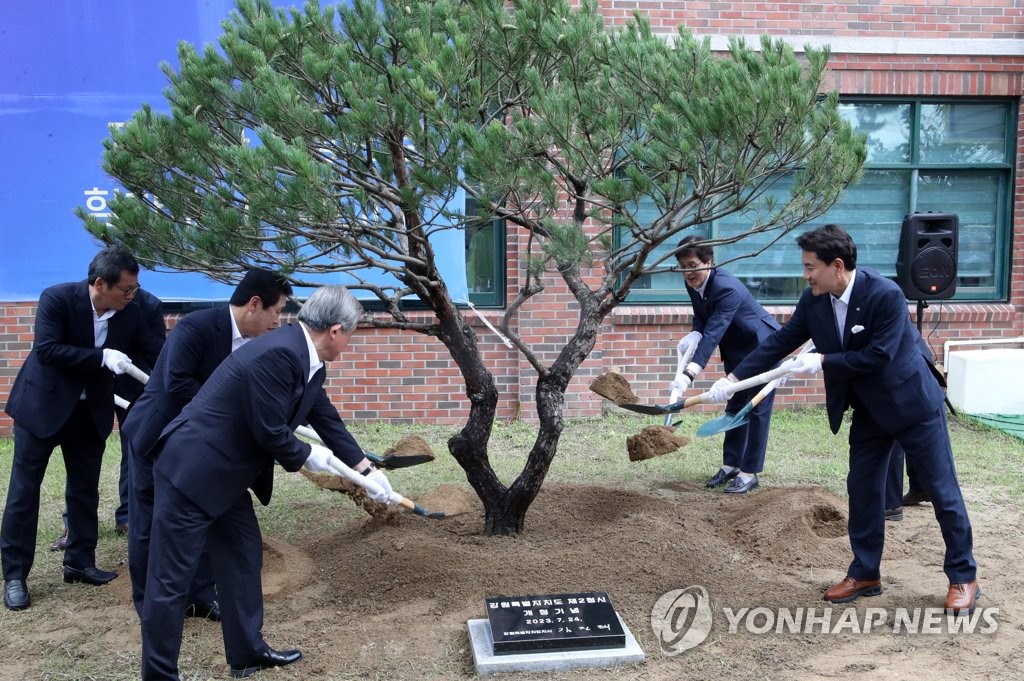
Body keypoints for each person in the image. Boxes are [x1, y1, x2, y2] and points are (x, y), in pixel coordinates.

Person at [707, 224, 979, 615]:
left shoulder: (884, 294)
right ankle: (865, 572)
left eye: (809, 266)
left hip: (912, 404)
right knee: (863, 490)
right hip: (869, 409)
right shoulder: (815, 300)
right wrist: (733, 381)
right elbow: (780, 343)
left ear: (837, 266)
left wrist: (822, 361)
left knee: (941, 491)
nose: (805, 274)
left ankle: (962, 576)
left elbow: (878, 356)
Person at [140, 284, 395, 680]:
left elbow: (326, 419)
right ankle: (158, 675)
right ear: (335, 331)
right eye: (352, 334)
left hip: (225, 476)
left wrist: (365, 470)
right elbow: (270, 433)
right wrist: (315, 458)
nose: (349, 343)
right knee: (170, 581)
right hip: (190, 472)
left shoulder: (308, 361)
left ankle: (245, 654)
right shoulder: (280, 352)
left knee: (243, 557)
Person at [122, 268, 293, 623]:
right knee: (149, 524)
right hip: (156, 435)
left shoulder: (260, 345)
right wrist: (233, 415)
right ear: (254, 305)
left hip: (202, 448)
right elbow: (176, 384)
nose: (279, 322)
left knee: (202, 515)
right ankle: (149, 605)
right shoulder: (196, 327)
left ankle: (199, 596)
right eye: (277, 312)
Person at [2, 247, 163, 611]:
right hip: (42, 408)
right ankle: (15, 574)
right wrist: (100, 357)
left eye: (135, 288)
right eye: (125, 289)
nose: (131, 295)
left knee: (84, 489)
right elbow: (47, 350)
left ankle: (79, 560)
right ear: (100, 283)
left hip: (91, 410)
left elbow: (153, 354)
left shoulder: (133, 312)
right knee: (24, 493)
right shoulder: (58, 298)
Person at [50, 287, 166, 552]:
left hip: (130, 385)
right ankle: (74, 524)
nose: (126, 294)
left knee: (134, 449)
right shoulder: (82, 302)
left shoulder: (148, 304)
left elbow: (156, 350)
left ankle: (127, 515)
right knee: (81, 454)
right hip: (90, 384)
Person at [672, 236, 780, 494]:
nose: (688, 272)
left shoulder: (726, 287)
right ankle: (731, 464)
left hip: (762, 346)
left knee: (755, 411)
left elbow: (715, 331)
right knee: (734, 405)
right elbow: (702, 319)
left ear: (709, 262)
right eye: (683, 266)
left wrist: (690, 372)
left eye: (692, 265)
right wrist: (694, 333)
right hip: (737, 350)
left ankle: (749, 472)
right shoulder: (694, 283)